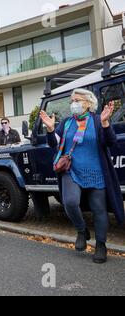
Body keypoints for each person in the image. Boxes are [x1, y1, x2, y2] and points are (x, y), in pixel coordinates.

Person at [40, 89, 124, 264]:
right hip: (72, 170)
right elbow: (54, 144)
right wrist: (50, 129)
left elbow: (111, 143)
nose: (73, 104)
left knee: (99, 209)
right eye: (72, 101)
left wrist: (106, 123)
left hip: (96, 172)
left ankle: (101, 245)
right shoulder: (66, 123)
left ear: (88, 102)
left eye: (77, 100)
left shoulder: (97, 120)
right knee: (69, 201)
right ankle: (81, 230)